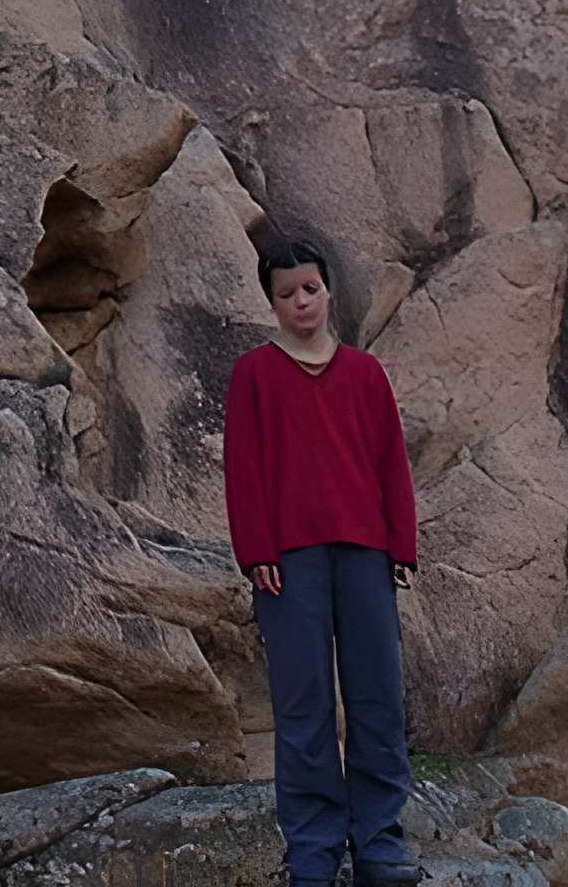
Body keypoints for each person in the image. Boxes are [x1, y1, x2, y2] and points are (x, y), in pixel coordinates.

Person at [224, 234, 420, 887]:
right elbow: (243, 469)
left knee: (377, 699)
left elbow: (392, 462)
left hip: (366, 553)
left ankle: (381, 846)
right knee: (304, 706)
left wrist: (402, 546)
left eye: (310, 288)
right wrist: (256, 551)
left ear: (327, 290)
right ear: (272, 302)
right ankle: (312, 852)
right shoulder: (254, 373)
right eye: (287, 294)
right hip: (287, 562)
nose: (301, 302)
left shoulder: (365, 373)